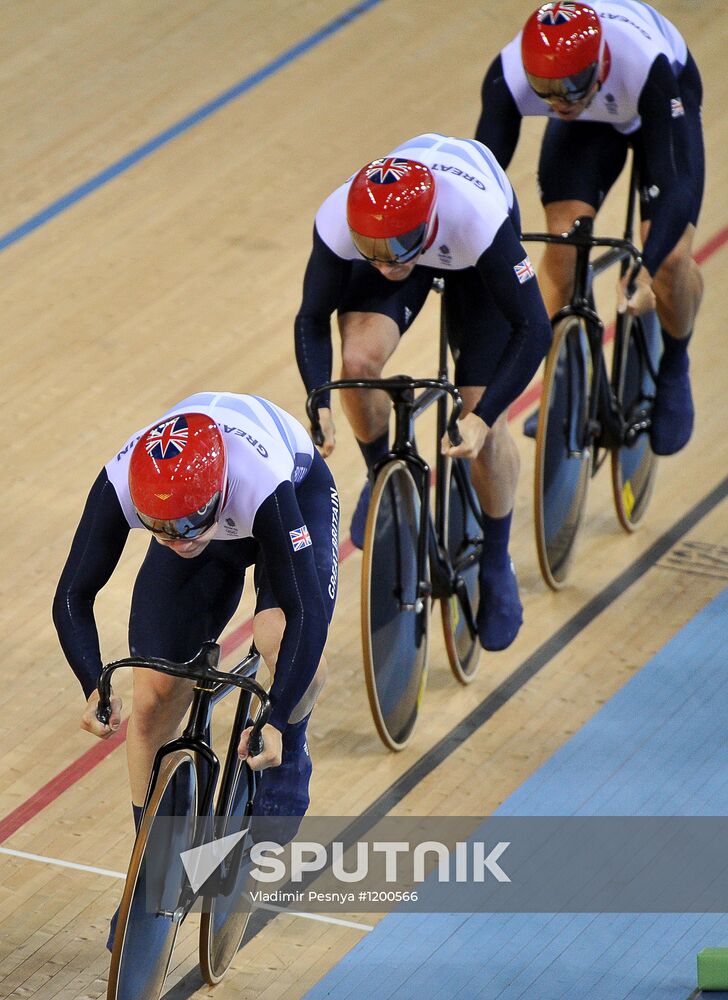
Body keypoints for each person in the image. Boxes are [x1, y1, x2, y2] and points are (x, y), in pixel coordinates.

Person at [53, 391, 339, 944]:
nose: (172, 541)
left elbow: (306, 613)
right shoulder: (127, 485)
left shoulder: (261, 482)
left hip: (294, 497)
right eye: (159, 529)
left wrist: (278, 721)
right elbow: (72, 595)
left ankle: (292, 755)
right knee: (154, 696)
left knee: (280, 636)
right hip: (211, 517)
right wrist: (93, 682)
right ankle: (149, 873)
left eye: (184, 526)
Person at [294, 132, 552, 651]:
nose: (388, 268)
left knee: (482, 410)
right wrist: (319, 398)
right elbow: (312, 316)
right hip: (408, 233)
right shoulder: (341, 219)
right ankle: (381, 472)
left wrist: (484, 417)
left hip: (472, 261)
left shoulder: (478, 219)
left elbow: (535, 329)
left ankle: (496, 558)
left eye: (398, 255)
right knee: (357, 363)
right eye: (376, 257)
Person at [475, 0, 704, 456]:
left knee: (670, 259)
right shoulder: (512, 71)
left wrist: (645, 267)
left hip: (658, 106)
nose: (557, 102)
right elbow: (482, 178)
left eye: (568, 89)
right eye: (547, 92)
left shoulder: (646, 63)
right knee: (561, 244)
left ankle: (675, 365)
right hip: (590, 122)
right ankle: (567, 380)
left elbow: (674, 181)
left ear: (600, 65)